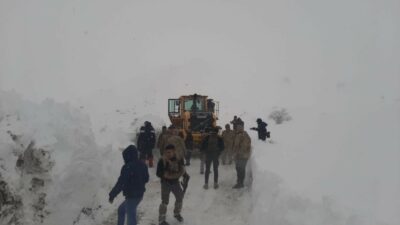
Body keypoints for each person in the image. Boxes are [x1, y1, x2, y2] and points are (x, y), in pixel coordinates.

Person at [109, 145, 149, 225]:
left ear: (127, 156)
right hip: (139, 195)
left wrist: (112, 194)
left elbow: (121, 183)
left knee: (131, 219)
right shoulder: (142, 164)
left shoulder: (127, 167)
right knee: (121, 210)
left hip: (131, 196)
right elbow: (146, 179)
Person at [157, 144, 186, 225]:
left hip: (175, 182)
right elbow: (158, 173)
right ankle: (161, 219)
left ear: (174, 151)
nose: (168, 154)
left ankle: (177, 213)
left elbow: (182, 169)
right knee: (164, 201)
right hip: (165, 183)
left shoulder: (179, 159)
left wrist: (184, 176)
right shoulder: (162, 160)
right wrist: (165, 174)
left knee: (180, 197)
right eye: (166, 152)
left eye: (169, 152)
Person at [232, 124, 251, 189]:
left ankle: (240, 183)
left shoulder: (239, 135)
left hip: (240, 156)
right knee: (242, 169)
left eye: (237, 128)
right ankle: (240, 182)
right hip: (245, 156)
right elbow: (248, 145)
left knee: (239, 169)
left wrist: (235, 154)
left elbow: (236, 146)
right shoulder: (247, 135)